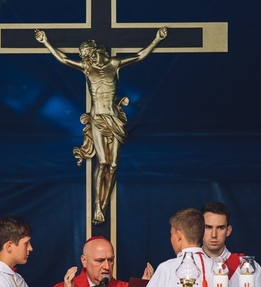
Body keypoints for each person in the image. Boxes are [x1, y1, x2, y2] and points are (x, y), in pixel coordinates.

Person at [34, 27, 167, 225]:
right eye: (84, 57)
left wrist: (156, 39)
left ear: (94, 51)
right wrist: (46, 42)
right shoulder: (87, 69)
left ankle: (103, 205)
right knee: (103, 162)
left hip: (114, 119)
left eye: (87, 55)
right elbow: (63, 59)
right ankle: (97, 206)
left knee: (113, 165)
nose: (86, 59)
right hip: (97, 118)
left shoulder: (114, 64)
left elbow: (139, 57)